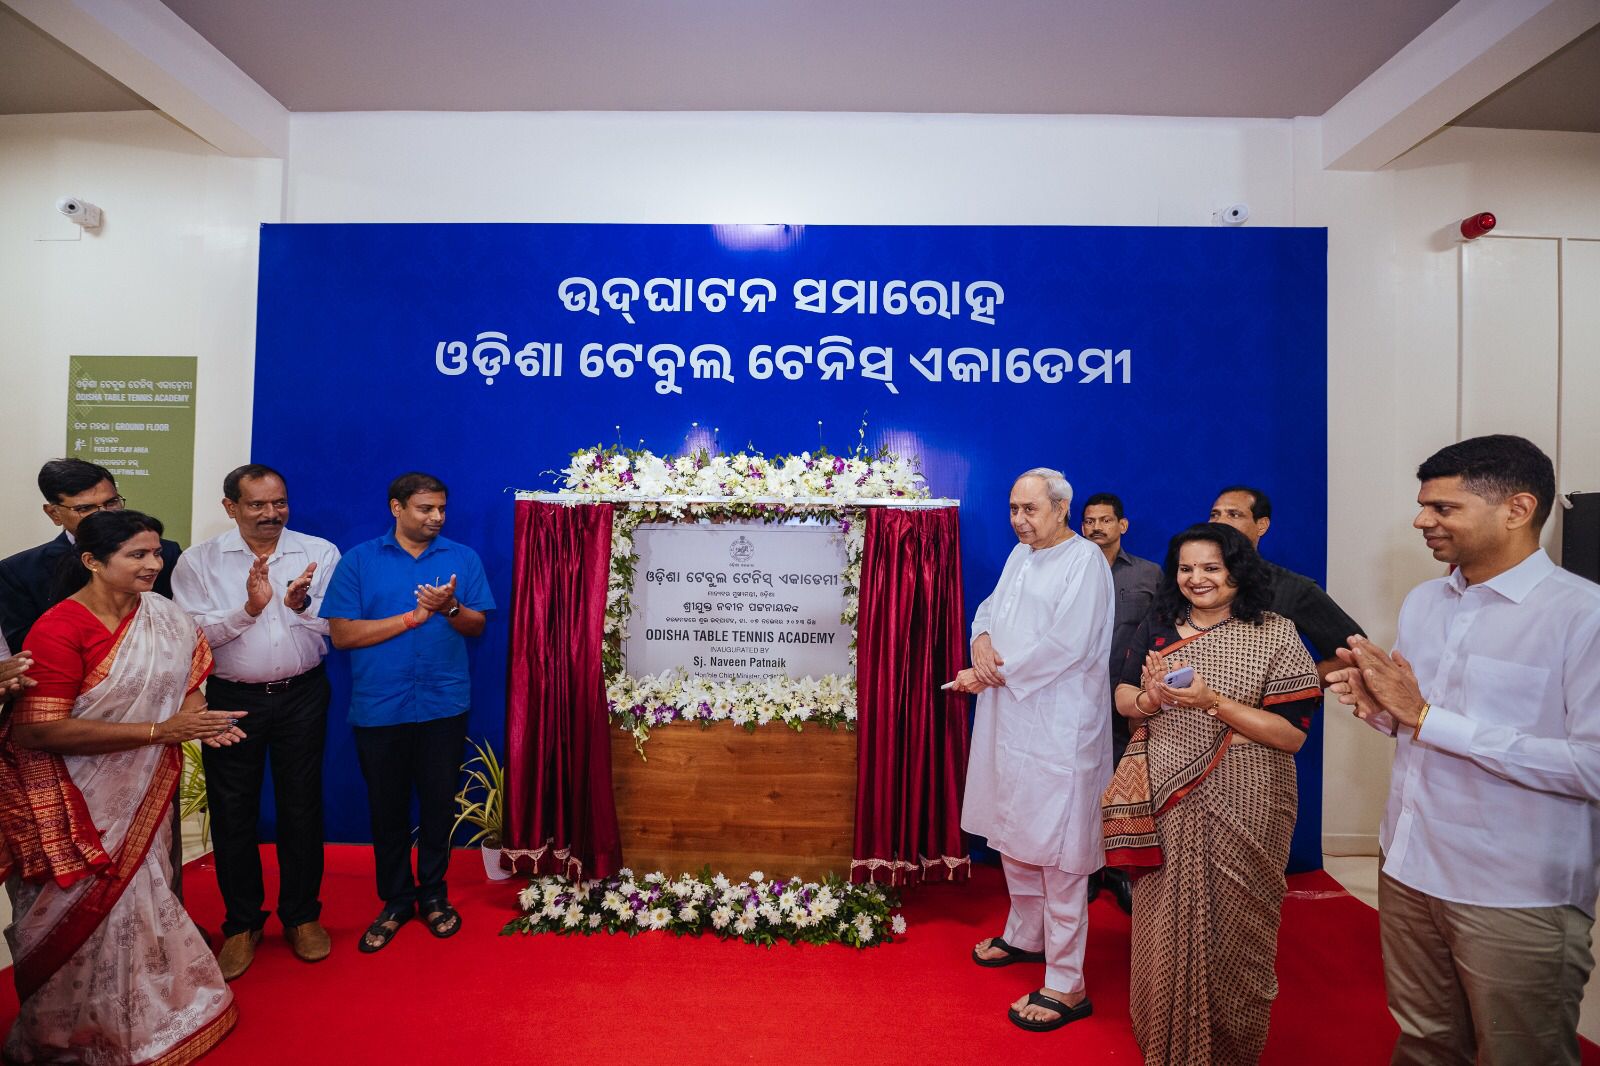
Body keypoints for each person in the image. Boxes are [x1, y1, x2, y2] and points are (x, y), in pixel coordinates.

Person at [1328, 435, 1600, 1066]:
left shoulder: (1581, 617)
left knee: (1520, 1053)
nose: (1421, 520)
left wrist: (1427, 717)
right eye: (1424, 505)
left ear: (1517, 509)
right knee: (1425, 1041)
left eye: (1443, 508)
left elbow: (1592, 765)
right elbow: (1420, 724)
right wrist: (1384, 712)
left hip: (1513, 889)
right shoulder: (1426, 602)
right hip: (1407, 867)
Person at [0, 510, 246, 1064]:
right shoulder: (60, 628)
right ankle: (81, 1034)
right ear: (92, 561)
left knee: (147, 898)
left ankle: (158, 1014)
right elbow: (37, 730)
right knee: (86, 914)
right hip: (75, 801)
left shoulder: (164, 616)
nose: (153, 564)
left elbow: (187, 682)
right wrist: (161, 732)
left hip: (143, 789)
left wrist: (200, 721)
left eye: (155, 553)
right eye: (137, 555)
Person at [1105, 522, 1322, 1064]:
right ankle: (1162, 1042)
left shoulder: (1275, 634)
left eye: (1211, 568)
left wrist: (1211, 702)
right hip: (1166, 798)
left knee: (1237, 930)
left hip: (1248, 797)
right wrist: (1151, 699)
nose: (1196, 578)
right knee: (1161, 925)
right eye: (1186, 568)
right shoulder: (1159, 625)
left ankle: (1230, 1050)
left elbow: (1291, 735)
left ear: (1237, 571)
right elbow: (1124, 698)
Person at [952, 467, 1113, 1032]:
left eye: (1031, 509)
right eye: (1014, 509)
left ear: (1062, 509)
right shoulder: (1021, 555)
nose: (1019, 520)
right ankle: (1026, 935)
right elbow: (990, 609)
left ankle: (1067, 982)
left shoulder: (1084, 561)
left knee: (1060, 852)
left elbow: (1068, 646)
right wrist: (981, 639)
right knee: (1012, 829)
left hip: (1060, 727)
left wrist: (987, 675)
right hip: (1010, 719)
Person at [171, 464, 341, 980]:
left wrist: (301, 605)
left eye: (279, 502)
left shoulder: (319, 552)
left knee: (301, 806)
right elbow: (190, 638)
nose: (271, 513)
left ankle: (301, 916)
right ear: (231, 507)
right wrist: (248, 609)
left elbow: (341, 625)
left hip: (303, 694)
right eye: (257, 504)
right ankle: (242, 924)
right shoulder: (198, 562)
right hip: (231, 699)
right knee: (232, 810)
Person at [321, 472, 494, 954]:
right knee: (388, 809)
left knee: (439, 805)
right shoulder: (359, 561)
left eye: (441, 509)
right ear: (396, 508)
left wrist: (450, 608)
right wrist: (411, 618)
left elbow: (477, 627)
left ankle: (434, 895)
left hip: (444, 705)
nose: (436, 517)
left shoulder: (462, 558)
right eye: (425, 508)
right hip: (380, 707)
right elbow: (342, 636)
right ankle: (397, 900)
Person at [0, 458, 182, 653]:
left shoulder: (167, 553)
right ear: (54, 513)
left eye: (111, 503)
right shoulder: (19, 571)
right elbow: (26, 650)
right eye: (84, 508)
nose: (103, 514)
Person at [1081, 491, 1161, 914]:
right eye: (1089, 521)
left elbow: (1165, 631)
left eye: (1105, 520)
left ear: (1122, 525)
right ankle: (1087, 868)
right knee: (1083, 787)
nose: (1096, 527)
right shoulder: (1069, 571)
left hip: (1127, 700)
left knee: (1125, 788)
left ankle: (1121, 871)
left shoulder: (1149, 574)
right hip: (1076, 701)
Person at [1209, 485, 1363, 681]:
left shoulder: (1293, 589)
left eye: (1234, 514)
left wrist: (1292, 687)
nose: (1220, 522)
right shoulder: (1188, 582)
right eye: (1214, 515)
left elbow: (1354, 654)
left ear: (1261, 525)